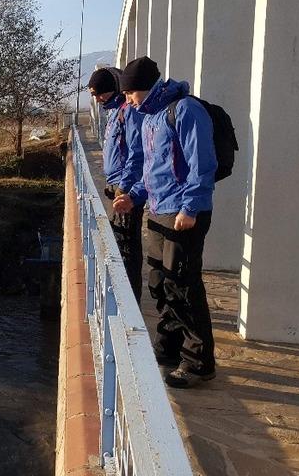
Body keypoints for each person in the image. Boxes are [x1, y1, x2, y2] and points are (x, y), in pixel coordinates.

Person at [112, 56, 217, 389]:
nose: (127, 100)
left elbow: (203, 165)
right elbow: (151, 172)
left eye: (130, 94)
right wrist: (134, 196)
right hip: (158, 210)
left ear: (145, 88)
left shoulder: (185, 110)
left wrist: (191, 208)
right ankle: (170, 346)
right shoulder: (149, 118)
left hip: (182, 214)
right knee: (160, 281)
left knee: (183, 285)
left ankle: (197, 360)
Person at [87, 67, 144, 300]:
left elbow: (136, 154)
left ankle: (129, 300)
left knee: (127, 245)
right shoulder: (114, 112)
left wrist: (124, 187)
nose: (97, 98)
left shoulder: (128, 112)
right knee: (120, 240)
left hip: (125, 189)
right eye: (93, 94)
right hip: (116, 185)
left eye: (99, 93)